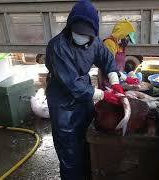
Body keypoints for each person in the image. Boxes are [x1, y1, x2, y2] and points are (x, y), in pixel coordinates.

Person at [45, 0, 125, 179]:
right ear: (70, 26)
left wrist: (115, 82)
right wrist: (104, 95)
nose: (82, 36)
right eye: (78, 32)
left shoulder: (94, 41)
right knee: (70, 153)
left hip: (84, 99)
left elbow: (107, 60)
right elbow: (72, 85)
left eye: (87, 33)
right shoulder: (58, 47)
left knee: (88, 141)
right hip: (63, 103)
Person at [98, 20, 139, 90]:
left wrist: (130, 73)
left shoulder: (121, 45)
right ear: (122, 34)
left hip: (117, 78)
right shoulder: (109, 43)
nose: (127, 41)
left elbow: (121, 63)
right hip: (107, 80)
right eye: (127, 37)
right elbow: (109, 65)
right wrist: (126, 79)